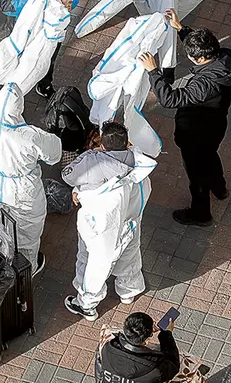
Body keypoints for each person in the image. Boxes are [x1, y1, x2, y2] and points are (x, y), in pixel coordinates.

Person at [138, 9, 231, 227]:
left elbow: (169, 99)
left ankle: (201, 214)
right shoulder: (226, 56)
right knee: (210, 156)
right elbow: (202, 47)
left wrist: (153, 72)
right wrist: (182, 29)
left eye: (191, 55)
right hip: (217, 125)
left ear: (201, 58)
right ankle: (219, 188)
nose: (188, 56)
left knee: (196, 175)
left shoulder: (202, 86)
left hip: (196, 133)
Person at [61, 122, 156, 321]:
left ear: (102, 145)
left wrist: (79, 188)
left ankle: (87, 304)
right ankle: (128, 291)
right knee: (129, 253)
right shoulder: (139, 163)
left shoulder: (93, 162)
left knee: (92, 261)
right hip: (130, 221)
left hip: (100, 225)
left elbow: (68, 175)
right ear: (127, 142)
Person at [0, 82, 61, 276]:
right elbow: (55, 153)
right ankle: (26, 270)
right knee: (27, 231)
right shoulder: (29, 136)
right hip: (22, 189)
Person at [96, 312, 181, 383]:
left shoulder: (107, 347)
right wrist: (166, 334)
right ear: (147, 338)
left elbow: (99, 366)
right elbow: (174, 365)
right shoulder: (156, 368)